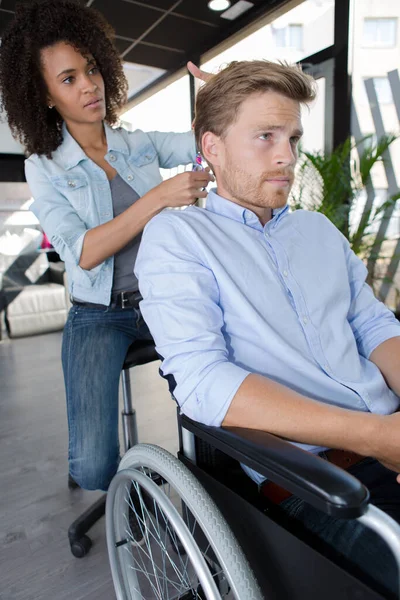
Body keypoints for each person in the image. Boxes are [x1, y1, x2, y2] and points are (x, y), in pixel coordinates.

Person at [135, 59, 400, 595]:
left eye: (293, 137)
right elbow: (203, 382)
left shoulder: (318, 231)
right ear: (212, 147)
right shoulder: (178, 239)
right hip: (313, 482)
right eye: (265, 136)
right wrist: (377, 436)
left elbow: (373, 325)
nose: (287, 156)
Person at [0, 0, 212, 492]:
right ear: (46, 95)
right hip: (99, 313)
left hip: (161, 300)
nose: (89, 85)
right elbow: (84, 252)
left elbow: (203, 143)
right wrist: (158, 197)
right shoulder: (44, 166)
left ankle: (204, 497)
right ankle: (114, 482)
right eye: (69, 79)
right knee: (93, 469)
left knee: (211, 408)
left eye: (91, 69)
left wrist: (224, 98)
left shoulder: (135, 144)